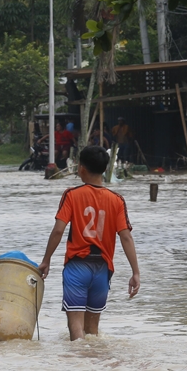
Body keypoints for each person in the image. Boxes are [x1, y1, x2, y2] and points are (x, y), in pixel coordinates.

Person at [38, 146, 141, 341]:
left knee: (76, 330)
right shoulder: (117, 200)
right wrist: (135, 272)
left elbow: (58, 230)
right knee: (93, 332)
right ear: (104, 169)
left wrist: (46, 260)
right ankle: (94, 368)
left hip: (77, 267)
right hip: (102, 269)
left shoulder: (71, 195)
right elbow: (126, 237)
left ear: (81, 169)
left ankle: (78, 369)